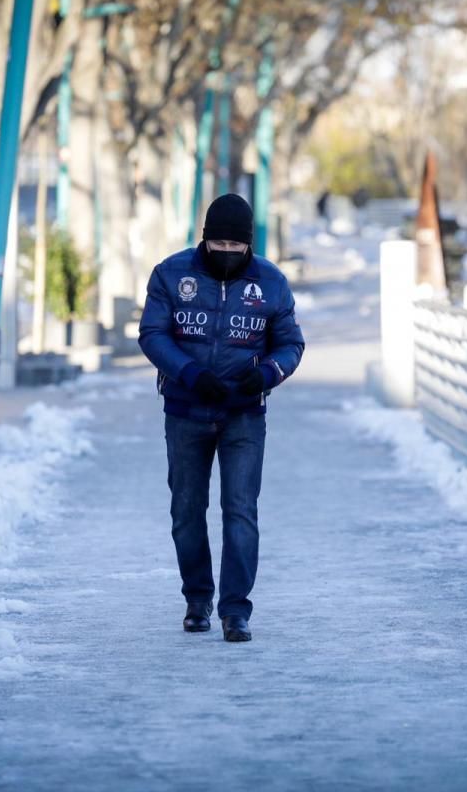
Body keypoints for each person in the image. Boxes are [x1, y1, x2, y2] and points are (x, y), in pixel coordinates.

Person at [138, 194, 306, 643]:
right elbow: (152, 333)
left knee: (241, 512)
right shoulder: (171, 274)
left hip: (244, 417)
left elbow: (291, 343)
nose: (228, 253)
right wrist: (189, 372)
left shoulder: (270, 282)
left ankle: (236, 610)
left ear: (249, 245)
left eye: (237, 246)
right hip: (186, 411)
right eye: (220, 244)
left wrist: (268, 373)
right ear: (205, 238)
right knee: (186, 511)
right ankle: (197, 600)